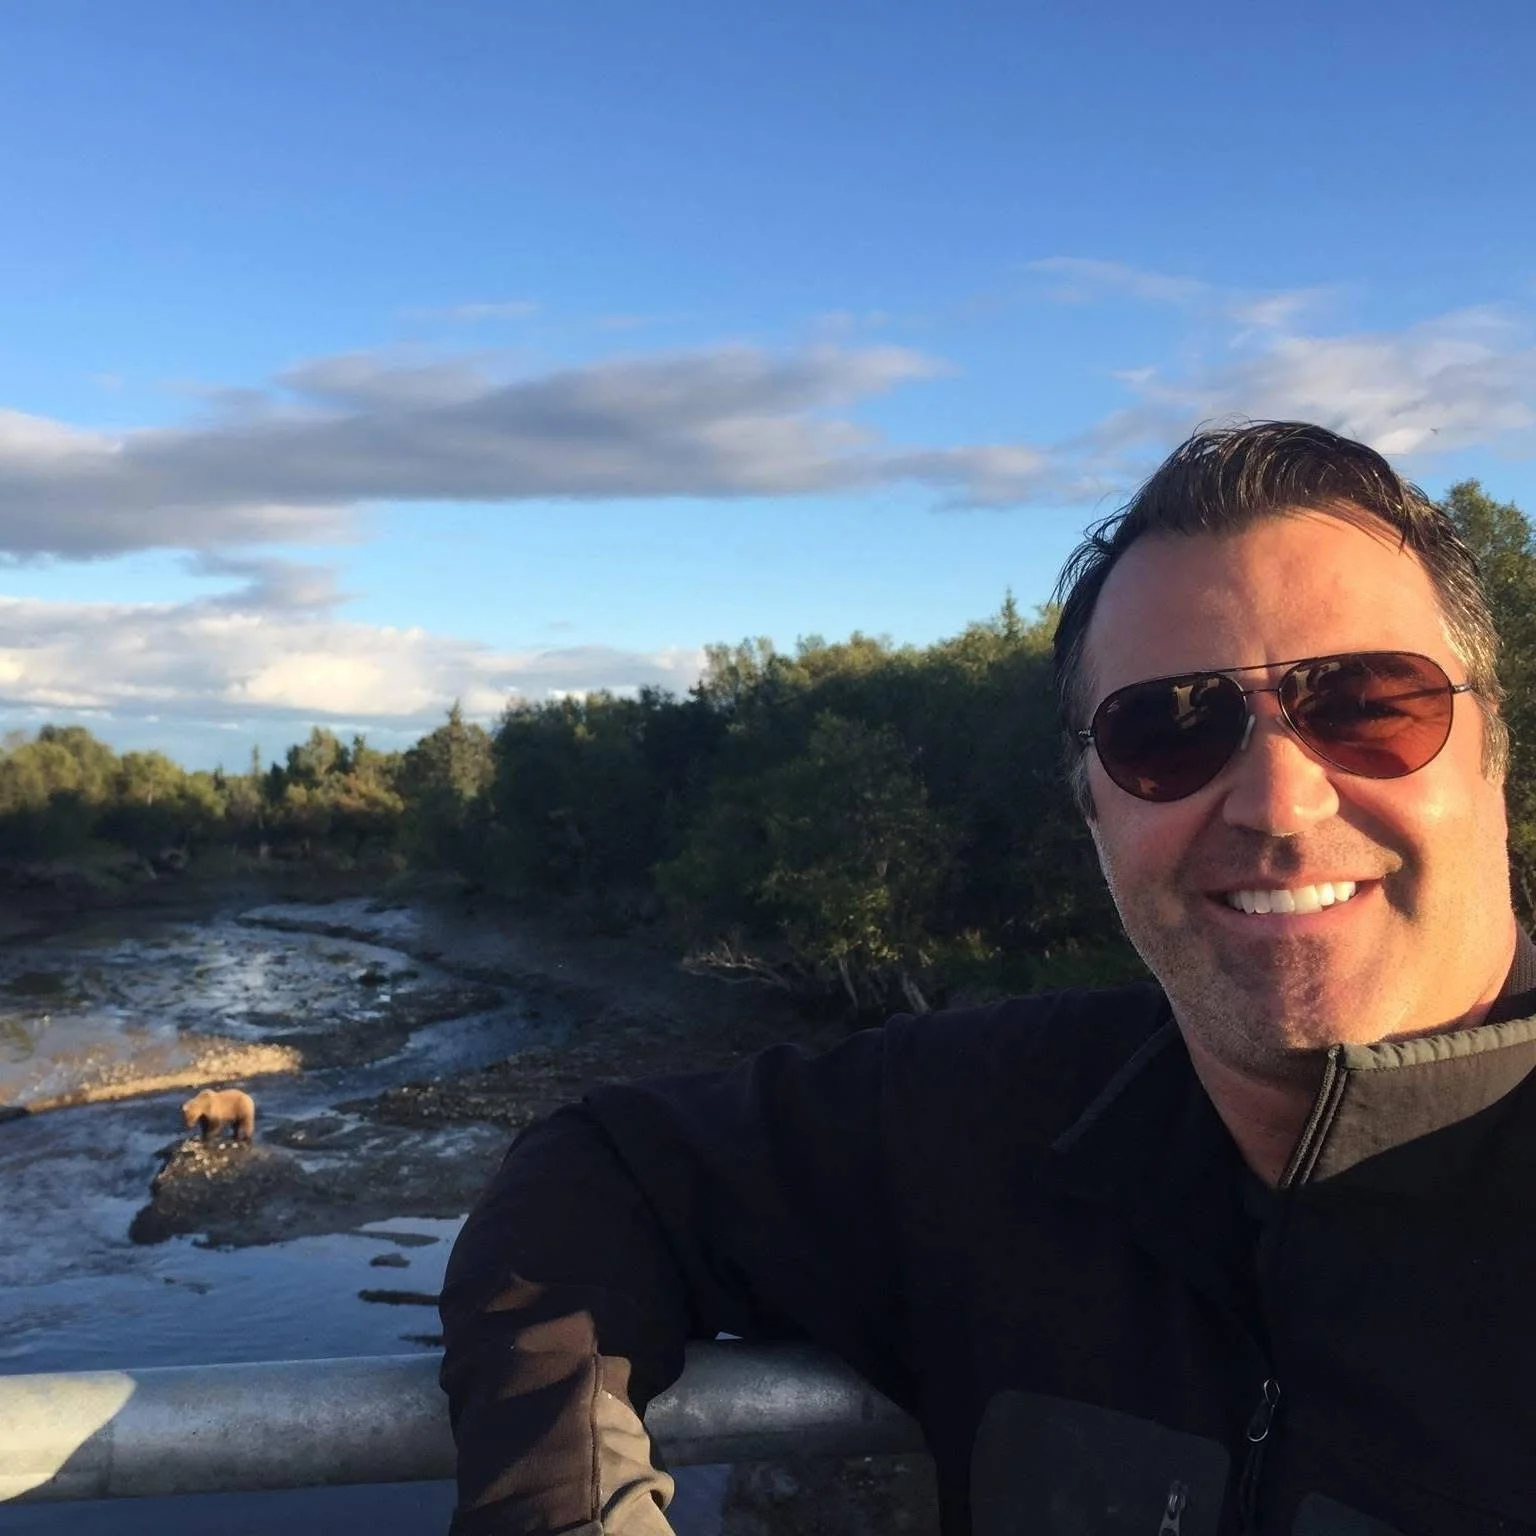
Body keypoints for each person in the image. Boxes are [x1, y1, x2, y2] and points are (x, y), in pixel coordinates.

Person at [439, 422, 1536, 1536]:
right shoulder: (1010, 1125)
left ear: (1496, 755)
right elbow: (609, 1167)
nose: (1277, 800)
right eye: (1168, 729)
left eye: (1368, 705)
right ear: (1093, 810)